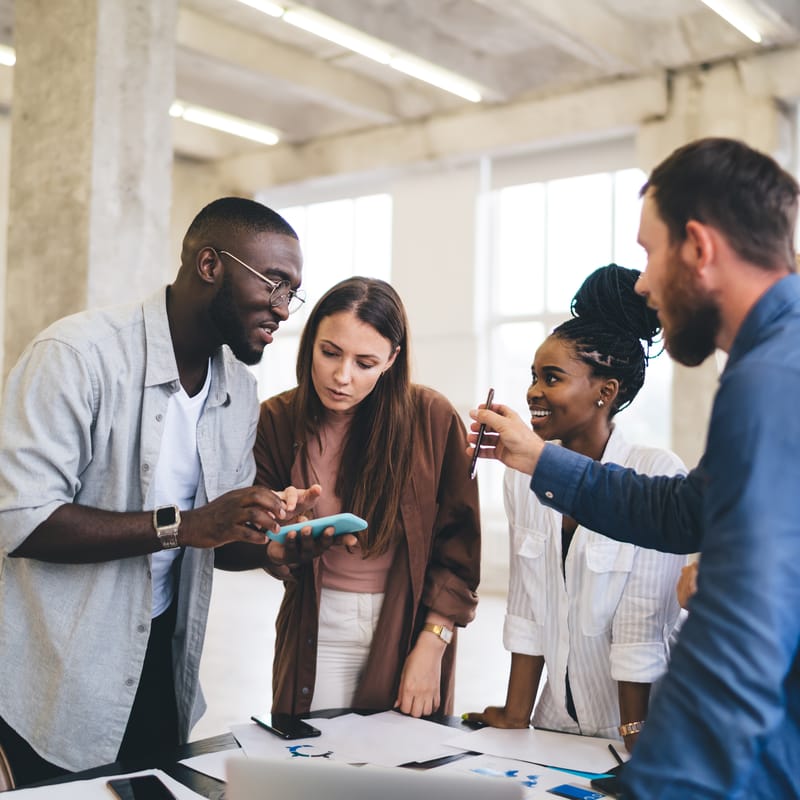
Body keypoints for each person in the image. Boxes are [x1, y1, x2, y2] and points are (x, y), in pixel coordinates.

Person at [468, 138, 800, 798]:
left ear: (699, 249)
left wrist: (652, 783)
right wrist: (540, 461)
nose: (642, 284)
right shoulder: (772, 361)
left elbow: (740, 627)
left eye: (650, 253)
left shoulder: (772, 379)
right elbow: (684, 511)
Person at [0, 197, 319, 785]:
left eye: (291, 293)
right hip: (56, 677)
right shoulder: (75, 356)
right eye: (274, 285)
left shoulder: (239, 391)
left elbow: (216, 543)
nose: (282, 309)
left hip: (162, 665)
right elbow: (21, 520)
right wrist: (185, 524)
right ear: (209, 266)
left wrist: (270, 545)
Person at [465, 265, 686, 750]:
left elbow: (642, 625)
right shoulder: (523, 477)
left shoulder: (655, 474)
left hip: (638, 729)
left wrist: (635, 738)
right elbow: (528, 604)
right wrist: (514, 712)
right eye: (533, 377)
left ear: (605, 391)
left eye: (553, 378)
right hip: (555, 725)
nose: (533, 392)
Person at [253, 277, 481, 718]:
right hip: (317, 622)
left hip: (409, 623)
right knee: (315, 772)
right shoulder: (276, 420)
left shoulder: (431, 419)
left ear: (392, 360)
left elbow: (459, 547)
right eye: (330, 353)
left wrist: (434, 643)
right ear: (309, 343)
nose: (342, 377)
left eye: (365, 362)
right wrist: (280, 528)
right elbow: (257, 540)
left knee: (399, 775)